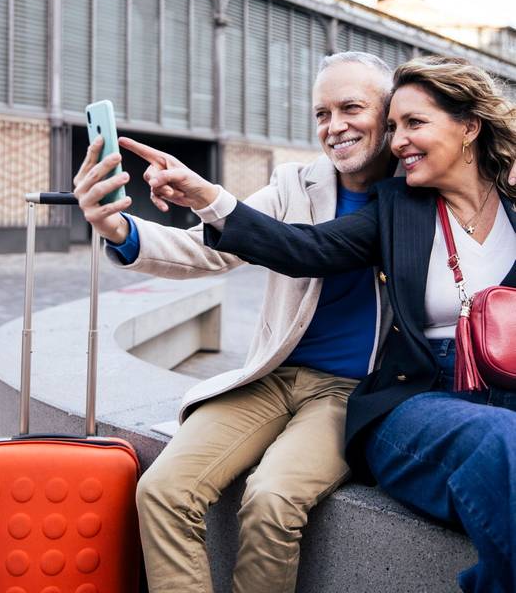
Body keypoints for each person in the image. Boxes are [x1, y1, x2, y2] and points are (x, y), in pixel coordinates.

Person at [147, 55, 516, 593]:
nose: (398, 142)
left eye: (413, 124)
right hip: (417, 391)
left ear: (469, 127)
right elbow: (305, 248)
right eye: (394, 126)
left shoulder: (511, 203)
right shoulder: (397, 207)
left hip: (500, 385)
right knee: (501, 441)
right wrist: (207, 198)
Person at [73, 52, 400, 593]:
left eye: (351, 108)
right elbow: (211, 249)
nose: (334, 126)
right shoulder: (294, 184)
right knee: (162, 490)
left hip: (350, 394)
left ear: (389, 114)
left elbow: (305, 249)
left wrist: (207, 195)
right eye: (322, 114)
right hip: (271, 377)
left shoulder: (416, 194)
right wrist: (119, 230)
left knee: (272, 499)